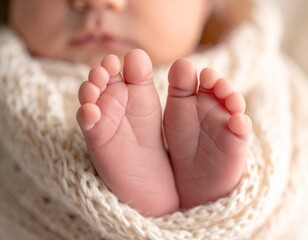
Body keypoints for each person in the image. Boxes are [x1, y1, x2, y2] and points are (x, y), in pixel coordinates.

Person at [0, 0, 307, 239]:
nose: (99, 3)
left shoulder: (263, 82)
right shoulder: (11, 87)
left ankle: (216, 194)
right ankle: (153, 194)